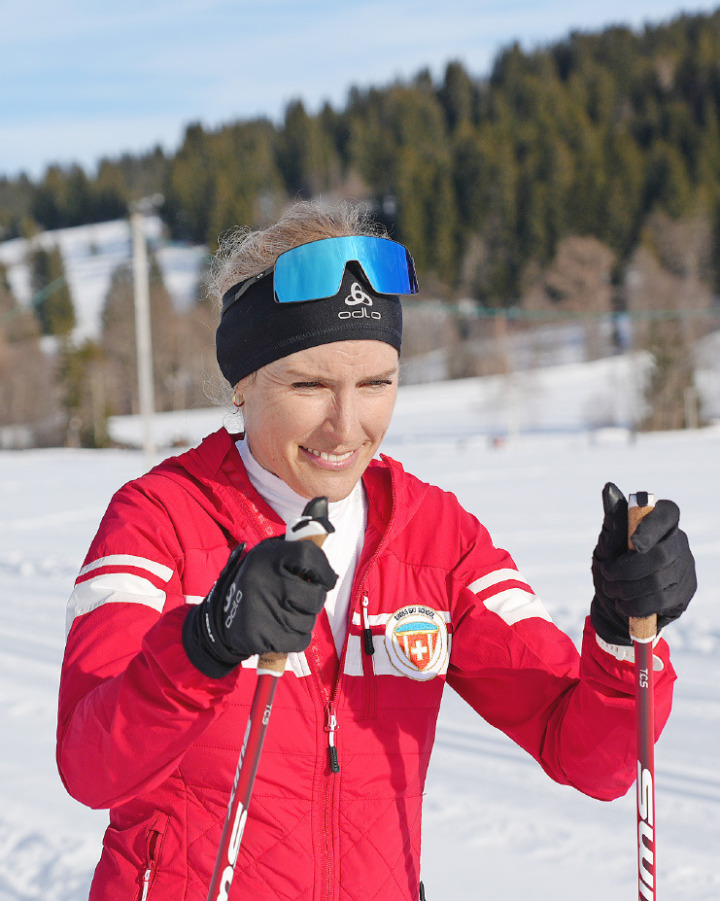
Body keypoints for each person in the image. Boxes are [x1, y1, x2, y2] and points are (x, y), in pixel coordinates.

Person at [57, 201, 696, 901]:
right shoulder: (158, 519)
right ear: (242, 381)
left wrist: (620, 632)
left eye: (376, 384)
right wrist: (206, 639)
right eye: (309, 384)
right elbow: (91, 767)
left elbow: (591, 757)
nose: (346, 425)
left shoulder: (436, 536)